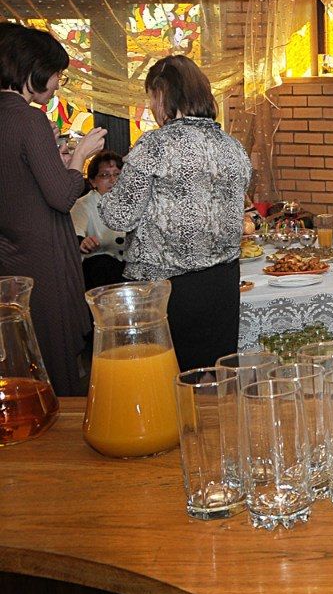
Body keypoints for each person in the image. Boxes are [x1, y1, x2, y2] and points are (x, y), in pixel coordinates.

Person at [99, 55, 251, 372]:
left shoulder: (156, 145)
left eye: (151, 97)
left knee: (165, 381)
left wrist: (102, 196)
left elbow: (120, 216)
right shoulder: (232, 146)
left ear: (162, 94)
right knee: (212, 378)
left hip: (166, 288)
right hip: (222, 284)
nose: (151, 107)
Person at [0, 22, 107, 395]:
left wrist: (58, 164)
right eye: (57, 73)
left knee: (23, 358)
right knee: (54, 362)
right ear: (32, 70)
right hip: (41, 258)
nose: (59, 82)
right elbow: (62, 197)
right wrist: (80, 157)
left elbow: (18, 184)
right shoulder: (29, 118)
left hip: (10, 255)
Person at [71, 150, 128, 290]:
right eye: (105, 175)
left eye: (117, 174)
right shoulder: (83, 204)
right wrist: (83, 242)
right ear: (92, 181)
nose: (113, 180)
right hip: (99, 273)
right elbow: (75, 234)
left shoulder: (131, 202)